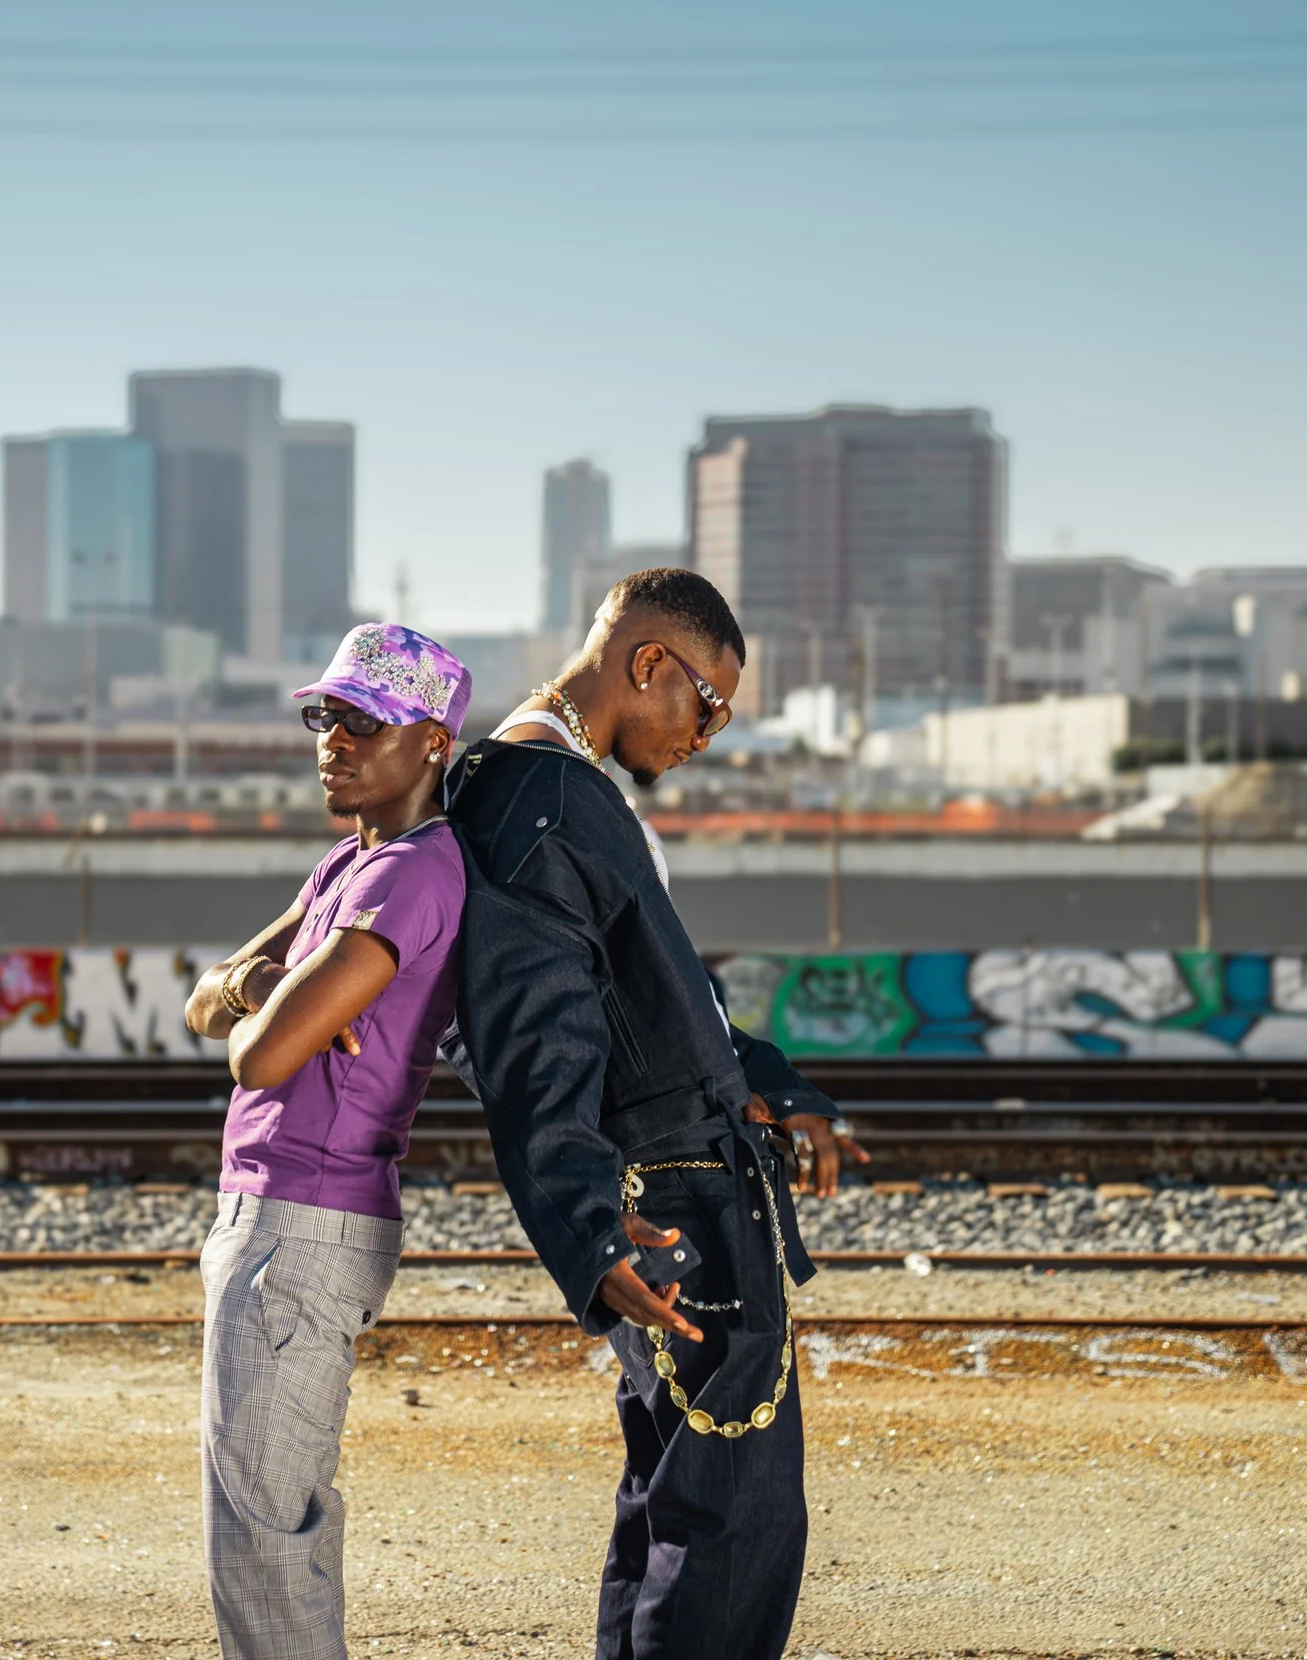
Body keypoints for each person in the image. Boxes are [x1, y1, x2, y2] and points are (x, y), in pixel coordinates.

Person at [439, 568, 861, 1660]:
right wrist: (583, 1227)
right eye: (706, 703)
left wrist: (772, 1083)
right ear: (646, 664)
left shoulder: (556, 792)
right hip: (673, 1197)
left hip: (678, 1177)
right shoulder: (537, 802)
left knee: (673, 1501)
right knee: (731, 1519)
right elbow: (529, 1046)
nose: (706, 733)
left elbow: (657, 1001)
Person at [181, 621, 472, 1660]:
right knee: (264, 1521)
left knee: (264, 1535)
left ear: (433, 740)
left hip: (303, 1225)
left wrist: (256, 1009)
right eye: (325, 715)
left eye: (365, 721)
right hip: (280, 1220)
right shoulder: (348, 864)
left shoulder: (414, 875)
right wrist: (263, 988)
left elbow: (252, 1061)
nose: (332, 740)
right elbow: (204, 999)